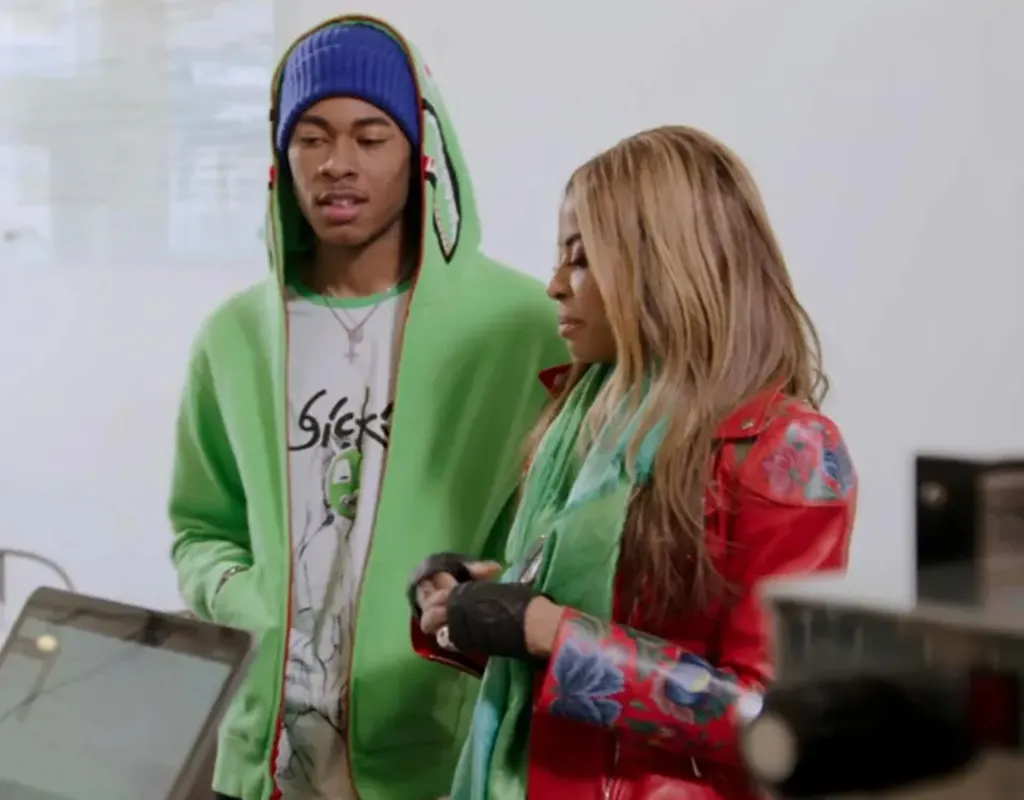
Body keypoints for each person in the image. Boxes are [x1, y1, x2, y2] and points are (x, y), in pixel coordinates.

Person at [168, 15, 565, 800]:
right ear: (281, 159)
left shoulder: (523, 327)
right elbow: (201, 525)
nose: (336, 164)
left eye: (369, 136)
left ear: (420, 149)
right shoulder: (237, 335)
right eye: (310, 138)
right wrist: (245, 600)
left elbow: (560, 530)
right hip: (262, 763)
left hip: (436, 755)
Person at [409, 125, 858, 799]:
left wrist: (551, 633)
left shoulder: (791, 454)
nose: (555, 285)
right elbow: (607, 610)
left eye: (582, 259)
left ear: (665, 267)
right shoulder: (582, 416)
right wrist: (477, 607)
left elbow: (773, 717)